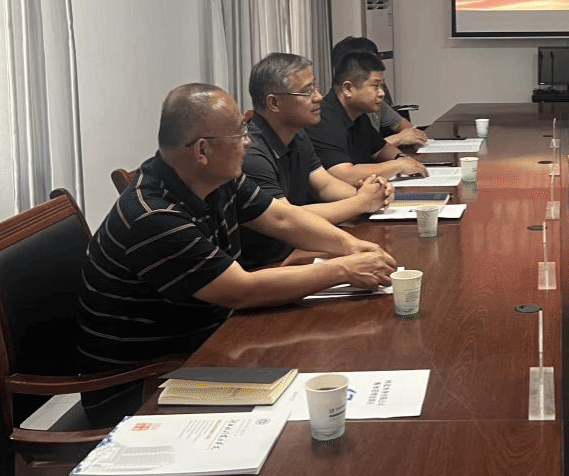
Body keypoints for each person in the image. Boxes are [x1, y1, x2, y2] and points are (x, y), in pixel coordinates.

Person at [76, 84, 397, 425]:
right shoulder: (153, 216)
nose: (248, 142)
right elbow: (241, 291)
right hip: (141, 384)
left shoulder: (215, 177)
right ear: (203, 150)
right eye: (239, 134)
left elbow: (282, 218)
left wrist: (350, 246)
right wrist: (343, 270)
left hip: (205, 342)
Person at [239, 52, 394, 269]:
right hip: (264, 266)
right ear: (274, 102)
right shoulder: (251, 153)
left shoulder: (297, 134)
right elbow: (285, 219)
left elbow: (325, 185)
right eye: (307, 91)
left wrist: (373, 193)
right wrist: (361, 202)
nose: (319, 97)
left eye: (316, 87)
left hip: (297, 249)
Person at [308, 50, 427, 185]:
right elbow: (344, 174)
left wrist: (401, 157)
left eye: (382, 86)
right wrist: (398, 166)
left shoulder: (358, 115)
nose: (382, 93)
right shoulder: (322, 119)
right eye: (375, 86)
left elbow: (381, 149)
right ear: (348, 89)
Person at [331, 36, 428, 149]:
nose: (381, 93)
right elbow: (356, 152)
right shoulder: (333, 113)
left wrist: (413, 135)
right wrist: (399, 139)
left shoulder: (373, 101)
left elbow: (400, 124)